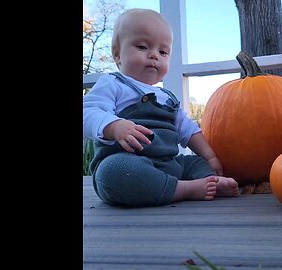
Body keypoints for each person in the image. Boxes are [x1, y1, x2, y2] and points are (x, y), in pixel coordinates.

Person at [83, 8, 240, 207]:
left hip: (169, 164)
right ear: (117, 55)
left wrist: (210, 156)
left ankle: (210, 182)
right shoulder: (113, 83)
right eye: (142, 46)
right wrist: (113, 126)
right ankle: (183, 189)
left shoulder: (167, 98)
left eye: (163, 51)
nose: (154, 55)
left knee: (195, 163)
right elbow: (88, 112)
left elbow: (189, 131)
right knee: (112, 173)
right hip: (130, 162)